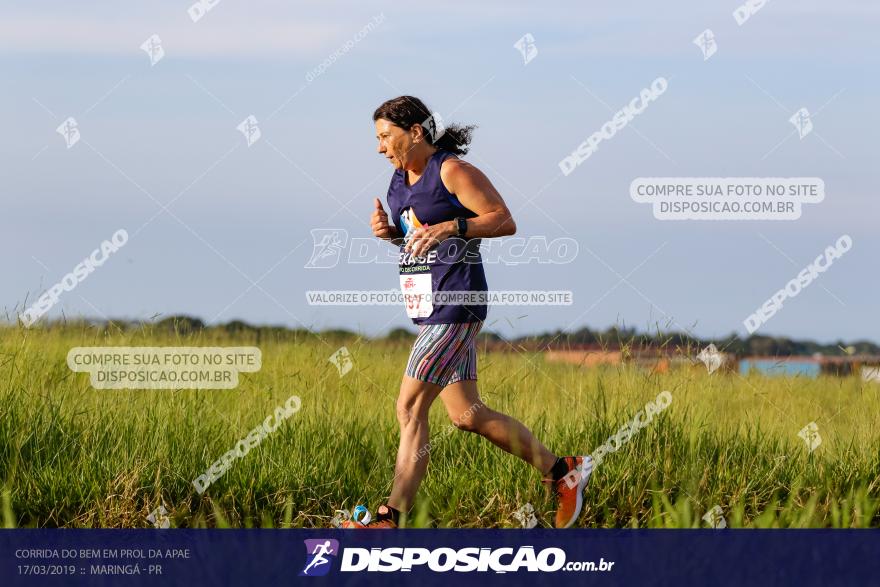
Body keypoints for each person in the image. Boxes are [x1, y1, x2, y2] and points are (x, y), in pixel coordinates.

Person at [342, 96, 591, 529]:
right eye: (378, 139)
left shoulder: (451, 171)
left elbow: (503, 220)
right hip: (428, 307)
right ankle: (563, 472)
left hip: (457, 305)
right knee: (466, 415)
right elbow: (416, 238)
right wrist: (389, 234)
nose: (380, 148)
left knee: (409, 409)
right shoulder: (398, 181)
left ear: (415, 132)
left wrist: (454, 226)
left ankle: (390, 517)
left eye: (385, 137)